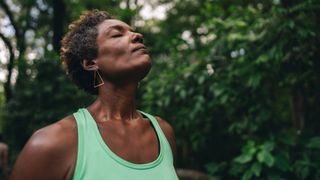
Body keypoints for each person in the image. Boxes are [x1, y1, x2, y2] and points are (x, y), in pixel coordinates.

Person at [10, 9, 179, 180]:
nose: (137, 35)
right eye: (116, 35)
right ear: (91, 63)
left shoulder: (163, 132)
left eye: (132, 31)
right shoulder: (52, 143)